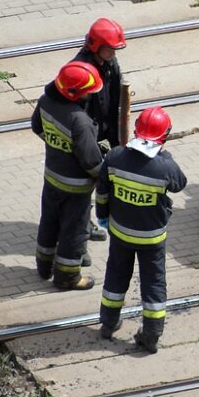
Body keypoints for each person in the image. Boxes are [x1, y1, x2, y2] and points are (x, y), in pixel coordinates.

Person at [95, 106, 187, 353]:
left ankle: (108, 323)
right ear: (164, 136)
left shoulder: (113, 157)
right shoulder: (164, 167)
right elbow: (180, 184)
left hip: (120, 232)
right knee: (153, 283)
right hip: (151, 238)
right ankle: (151, 335)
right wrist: (166, 158)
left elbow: (102, 193)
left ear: (137, 130)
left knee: (115, 275)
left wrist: (102, 217)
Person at [32, 61, 104, 290]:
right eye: (88, 92)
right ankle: (67, 277)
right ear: (75, 93)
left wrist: (59, 147)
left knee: (49, 221)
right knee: (74, 230)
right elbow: (90, 160)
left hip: (52, 176)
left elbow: (38, 127)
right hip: (76, 187)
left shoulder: (45, 102)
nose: (90, 96)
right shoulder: (79, 120)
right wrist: (104, 177)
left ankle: (44, 265)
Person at [74, 17, 127, 241]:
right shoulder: (80, 70)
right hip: (86, 135)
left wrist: (117, 142)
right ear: (97, 47)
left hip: (102, 130)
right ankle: (82, 226)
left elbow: (115, 102)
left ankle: (92, 221)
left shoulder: (110, 64)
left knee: (103, 180)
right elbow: (77, 113)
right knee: (84, 184)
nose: (114, 54)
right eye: (110, 49)